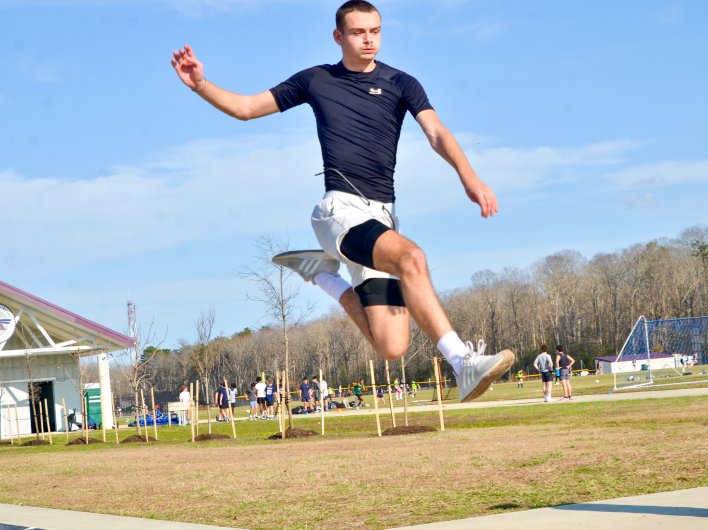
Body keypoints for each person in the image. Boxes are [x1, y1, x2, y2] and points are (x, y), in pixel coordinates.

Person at [170, 0, 513, 404]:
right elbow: (246, 108)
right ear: (338, 36)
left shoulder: (402, 83)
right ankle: (462, 362)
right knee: (412, 259)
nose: (369, 40)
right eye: (358, 32)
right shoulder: (316, 80)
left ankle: (322, 274)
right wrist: (201, 85)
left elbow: (436, 132)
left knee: (392, 346)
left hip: (382, 220)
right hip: (340, 212)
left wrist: (468, 176)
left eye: (375, 31)